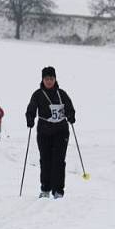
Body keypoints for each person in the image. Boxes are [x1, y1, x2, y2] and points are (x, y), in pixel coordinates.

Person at [25, 66, 75, 199]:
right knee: (45, 160)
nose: (49, 81)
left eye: (51, 78)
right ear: (43, 79)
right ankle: (45, 189)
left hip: (61, 131)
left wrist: (71, 116)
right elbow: (31, 108)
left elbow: (70, 107)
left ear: (55, 79)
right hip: (44, 132)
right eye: (46, 79)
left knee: (58, 161)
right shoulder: (37, 94)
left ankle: (58, 191)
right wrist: (30, 119)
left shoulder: (61, 93)